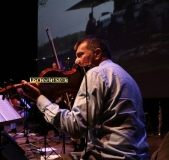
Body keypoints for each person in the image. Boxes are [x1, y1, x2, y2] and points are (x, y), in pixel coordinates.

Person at [19, 35, 149, 159]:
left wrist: (39, 98)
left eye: (80, 55)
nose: (76, 61)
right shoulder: (125, 75)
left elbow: (75, 127)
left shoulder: (96, 73)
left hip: (109, 156)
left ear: (97, 54)